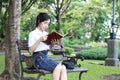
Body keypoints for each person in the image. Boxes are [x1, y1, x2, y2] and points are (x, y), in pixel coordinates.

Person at [28, 12, 67, 80]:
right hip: (38, 59)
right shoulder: (33, 34)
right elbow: (30, 50)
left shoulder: (46, 34)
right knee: (58, 66)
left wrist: (52, 44)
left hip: (45, 58)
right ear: (39, 21)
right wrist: (40, 40)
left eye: (48, 24)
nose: (46, 26)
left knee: (63, 67)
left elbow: (49, 48)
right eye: (45, 23)